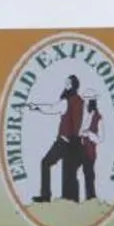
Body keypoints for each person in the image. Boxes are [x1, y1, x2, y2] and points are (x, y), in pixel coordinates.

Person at [31, 75, 86, 203]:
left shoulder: (67, 101)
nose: (65, 85)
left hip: (64, 141)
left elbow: (51, 108)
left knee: (46, 163)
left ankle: (46, 196)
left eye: (67, 83)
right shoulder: (80, 101)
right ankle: (72, 199)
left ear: (72, 85)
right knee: (70, 172)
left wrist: (36, 107)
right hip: (76, 142)